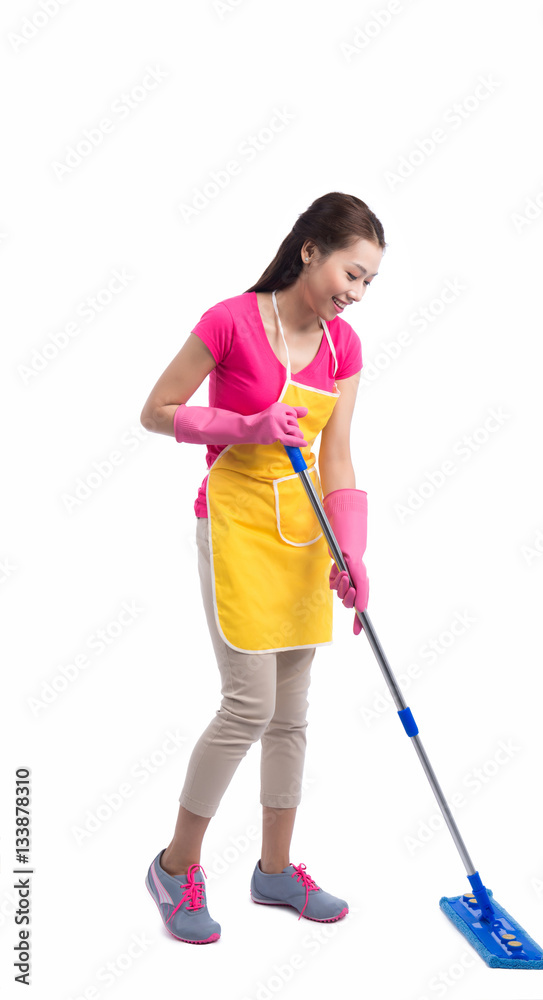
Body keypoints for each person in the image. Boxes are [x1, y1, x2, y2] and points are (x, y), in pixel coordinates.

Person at [140, 191, 386, 944]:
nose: (356, 292)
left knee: (290, 712)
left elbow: (336, 455)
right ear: (310, 250)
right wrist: (241, 425)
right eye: (352, 272)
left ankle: (274, 870)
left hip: (302, 531)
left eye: (369, 282)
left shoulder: (343, 348)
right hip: (235, 522)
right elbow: (156, 409)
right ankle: (176, 867)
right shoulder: (231, 320)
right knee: (246, 704)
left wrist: (352, 549)